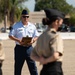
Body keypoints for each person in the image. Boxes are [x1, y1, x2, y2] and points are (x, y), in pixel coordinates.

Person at [30, 8, 65, 75]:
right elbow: (55, 56)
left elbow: (32, 55)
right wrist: (46, 60)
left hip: (44, 71)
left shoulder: (41, 37)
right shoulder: (55, 36)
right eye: (61, 22)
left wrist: (41, 60)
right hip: (55, 70)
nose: (61, 24)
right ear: (56, 22)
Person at [9, 9, 39, 75]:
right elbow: (10, 35)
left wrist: (33, 40)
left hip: (29, 49)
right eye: (24, 17)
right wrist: (18, 40)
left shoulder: (32, 26)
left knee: (33, 68)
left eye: (27, 17)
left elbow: (36, 36)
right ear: (21, 17)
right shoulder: (16, 26)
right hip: (19, 48)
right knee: (18, 68)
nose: (26, 18)